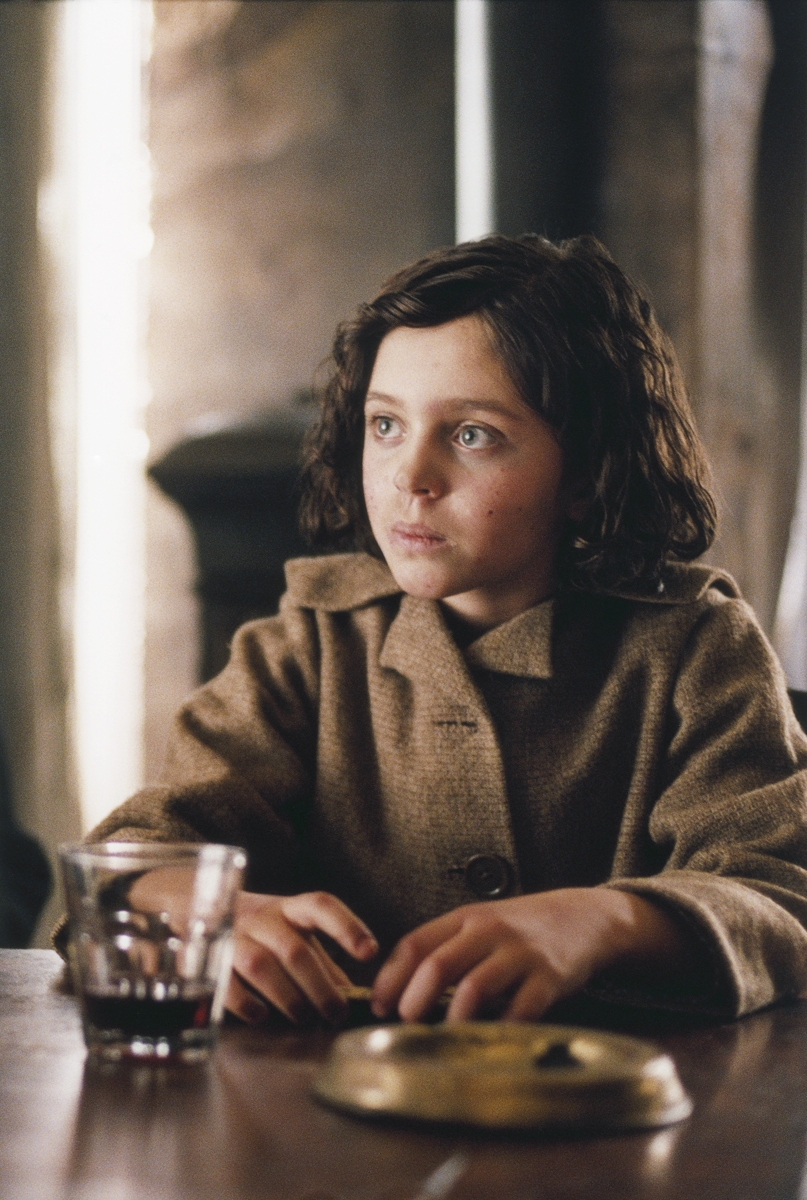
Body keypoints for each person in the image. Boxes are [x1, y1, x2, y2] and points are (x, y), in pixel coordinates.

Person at [85, 234, 807, 1027]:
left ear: (586, 470)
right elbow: (134, 854)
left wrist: (604, 921)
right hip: (332, 1091)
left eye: (471, 434)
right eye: (385, 425)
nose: (409, 476)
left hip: (620, 1091)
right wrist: (201, 908)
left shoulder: (698, 649)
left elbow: (776, 895)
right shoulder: (305, 647)